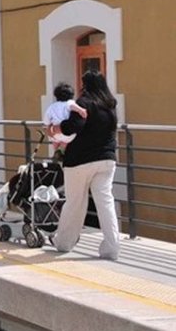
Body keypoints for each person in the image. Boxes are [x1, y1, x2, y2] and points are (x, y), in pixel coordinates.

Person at [50, 70, 120, 260]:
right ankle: (112, 248)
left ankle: (64, 242)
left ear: (85, 84)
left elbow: (74, 126)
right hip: (106, 160)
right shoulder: (110, 105)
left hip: (80, 161)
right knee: (105, 202)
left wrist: (55, 129)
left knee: (75, 202)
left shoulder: (84, 103)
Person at [44, 82, 87, 161]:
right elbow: (73, 106)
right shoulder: (69, 103)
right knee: (66, 141)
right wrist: (81, 110)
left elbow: (46, 122)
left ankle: (56, 150)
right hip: (67, 134)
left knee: (54, 140)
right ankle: (63, 150)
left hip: (55, 133)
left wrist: (50, 127)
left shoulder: (52, 106)